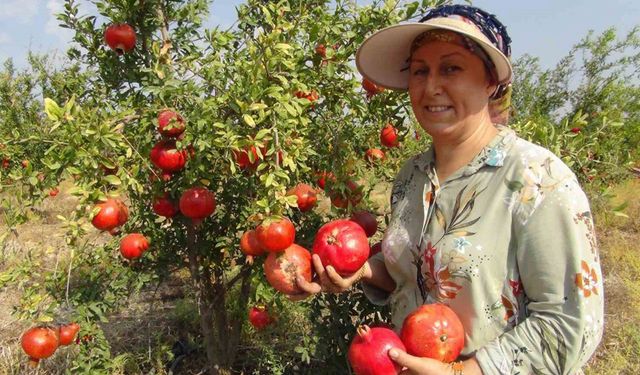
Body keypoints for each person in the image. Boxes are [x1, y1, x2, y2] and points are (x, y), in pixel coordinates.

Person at [293, 4, 604, 375]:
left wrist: (464, 372)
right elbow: (414, 271)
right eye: (420, 71)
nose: (431, 86)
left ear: (491, 82)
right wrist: (358, 273)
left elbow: (571, 328)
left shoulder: (537, 179)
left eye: (451, 68)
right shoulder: (411, 176)